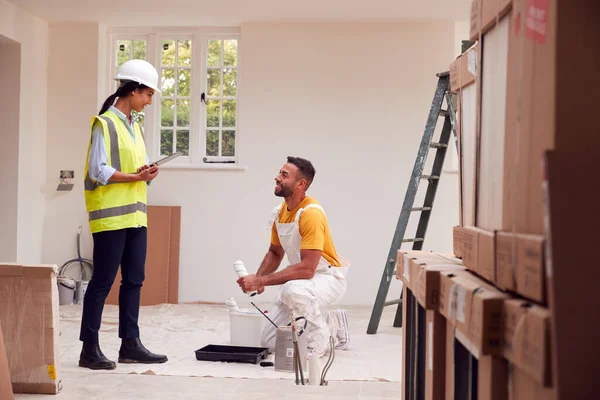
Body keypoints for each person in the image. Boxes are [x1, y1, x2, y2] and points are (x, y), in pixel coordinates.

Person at [79, 59, 168, 370]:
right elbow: (98, 170)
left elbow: (133, 170)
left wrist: (147, 173)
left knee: (134, 281)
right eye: (147, 95)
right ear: (133, 90)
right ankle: (89, 349)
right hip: (110, 217)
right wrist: (135, 178)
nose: (149, 100)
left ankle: (130, 345)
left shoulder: (135, 127)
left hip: (135, 217)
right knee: (102, 282)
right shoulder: (104, 123)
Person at [237, 156, 350, 356]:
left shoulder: (311, 214)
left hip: (327, 278)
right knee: (271, 342)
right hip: (302, 281)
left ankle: (319, 340)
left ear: (301, 184)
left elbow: (307, 269)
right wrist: (258, 280)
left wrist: (261, 279)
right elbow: (275, 252)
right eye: (279, 173)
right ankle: (333, 324)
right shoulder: (280, 213)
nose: (277, 178)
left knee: (292, 290)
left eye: (284, 175)